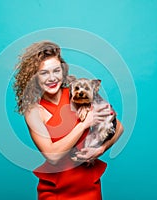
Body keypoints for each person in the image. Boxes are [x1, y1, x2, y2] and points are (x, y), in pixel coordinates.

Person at [13, 41, 124, 199]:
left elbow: (118, 127)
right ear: (34, 77)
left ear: (63, 71)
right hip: (55, 191)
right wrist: (84, 124)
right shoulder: (33, 111)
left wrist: (100, 149)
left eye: (56, 71)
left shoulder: (79, 92)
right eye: (44, 73)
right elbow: (52, 156)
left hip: (88, 186)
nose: (52, 78)